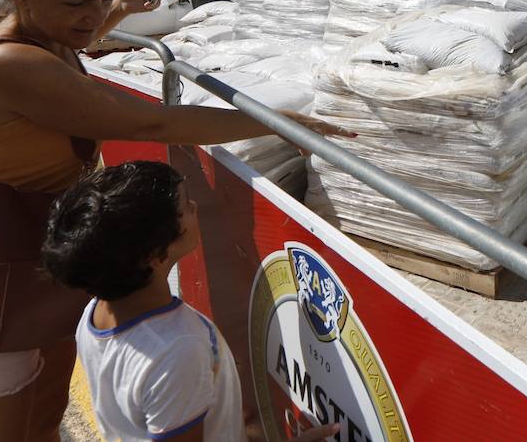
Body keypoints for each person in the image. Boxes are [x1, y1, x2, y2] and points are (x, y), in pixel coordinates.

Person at [0, 0, 329, 441]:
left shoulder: (45, 41)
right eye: (77, 2)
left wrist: (118, 9)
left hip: (24, 272)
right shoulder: (11, 63)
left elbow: (76, 45)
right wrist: (276, 123)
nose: (93, 17)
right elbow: (152, 125)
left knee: (38, 426)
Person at [42, 162, 335, 442]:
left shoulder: (95, 314)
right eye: (185, 207)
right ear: (155, 254)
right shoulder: (177, 351)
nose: (194, 207)